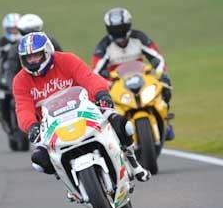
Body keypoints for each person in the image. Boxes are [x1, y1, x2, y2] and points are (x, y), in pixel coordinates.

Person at [13, 32, 151, 183]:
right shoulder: (20, 80)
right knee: (39, 161)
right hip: (51, 125)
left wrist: (101, 94)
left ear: (47, 51)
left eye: (36, 55)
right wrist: (31, 126)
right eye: (28, 57)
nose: (32, 60)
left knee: (123, 126)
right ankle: (69, 180)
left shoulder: (67, 60)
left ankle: (134, 163)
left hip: (86, 111)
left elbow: (88, 77)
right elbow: (23, 108)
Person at [91, 7, 173, 139]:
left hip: (143, 79)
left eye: (122, 28)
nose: (119, 34)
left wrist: (163, 74)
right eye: (115, 30)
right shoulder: (103, 46)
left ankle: (166, 121)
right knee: (105, 105)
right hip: (117, 85)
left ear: (128, 25)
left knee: (165, 87)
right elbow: (96, 72)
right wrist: (107, 83)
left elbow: (157, 57)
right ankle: (113, 134)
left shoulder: (139, 38)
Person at [0, 13, 21, 121]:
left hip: (22, 73)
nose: (14, 31)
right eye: (11, 29)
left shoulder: (26, 41)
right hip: (5, 76)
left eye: (16, 29)